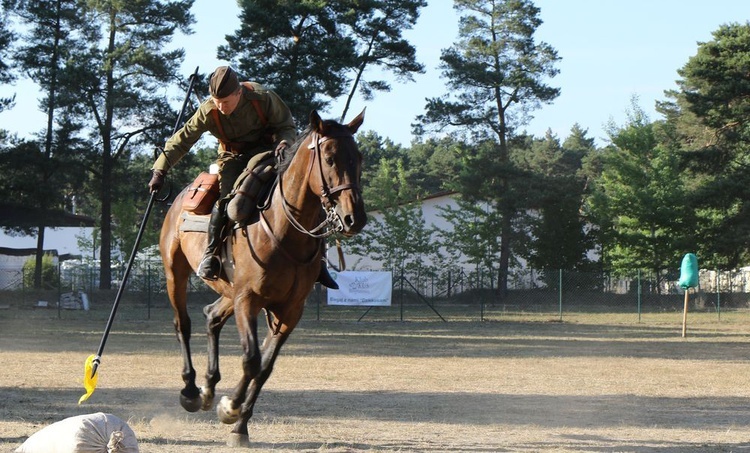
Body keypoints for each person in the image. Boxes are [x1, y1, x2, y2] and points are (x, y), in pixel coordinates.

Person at [148, 65, 338, 288]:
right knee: (227, 200)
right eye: (217, 101)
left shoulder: (263, 97)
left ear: (239, 92)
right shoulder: (209, 110)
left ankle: (319, 261)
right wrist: (159, 170)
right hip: (232, 157)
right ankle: (212, 255)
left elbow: (286, 124)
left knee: (303, 194)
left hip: (269, 152)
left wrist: (284, 142)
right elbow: (182, 139)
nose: (221, 107)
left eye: (226, 102)